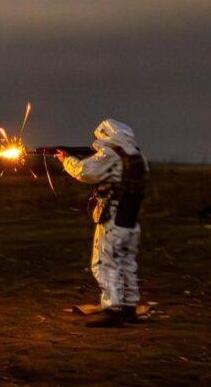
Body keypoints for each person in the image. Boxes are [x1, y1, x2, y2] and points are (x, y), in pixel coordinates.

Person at [55, 119, 148, 328]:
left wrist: (66, 160)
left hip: (113, 217)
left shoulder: (110, 153)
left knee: (105, 263)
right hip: (130, 218)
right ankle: (129, 309)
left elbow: (85, 171)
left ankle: (112, 310)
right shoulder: (137, 155)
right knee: (127, 263)